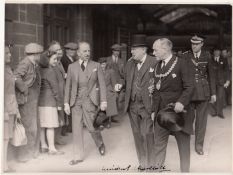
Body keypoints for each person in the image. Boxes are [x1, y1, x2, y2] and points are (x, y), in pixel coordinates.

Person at [151, 38, 194, 172]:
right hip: (161, 114)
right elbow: (157, 90)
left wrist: (181, 102)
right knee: (158, 146)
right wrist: (154, 110)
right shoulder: (158, 66)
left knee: (183, 148)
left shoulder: (182, 64)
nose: (153, 53)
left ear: (165, 49)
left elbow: (190, 86)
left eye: (155, 49)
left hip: (178, 114)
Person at [64, 41, 107, 165]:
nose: (87, 53)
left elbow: (102, 84)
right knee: (76, 129)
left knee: (92, 127)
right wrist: (66, 103)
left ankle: (100, 143)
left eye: (89, 51)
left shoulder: (96, 65)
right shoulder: (72, 67)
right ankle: (78, 156)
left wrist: (103, 101)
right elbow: (68, 86)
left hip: (90, 101)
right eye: (84, 51)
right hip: (76, 102)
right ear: (78, 53)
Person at [124, 34, 157, 168]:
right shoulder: (130, 63)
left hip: (147, 105)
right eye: (131, 49)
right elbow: (124, 78)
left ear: (143, 49)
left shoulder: (154, 62)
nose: (131, 51)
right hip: (132, 105)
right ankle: (142, 162)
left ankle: (152, 164)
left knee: (148, 134)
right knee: (137, 135)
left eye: (134, 49)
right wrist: (119, 84)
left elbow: (161, 81)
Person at [182, 34, 216, 155]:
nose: (194, 46)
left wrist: (213, 93)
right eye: (192, 44)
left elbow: (211, 75)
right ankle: (185, 142)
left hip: (203, 92)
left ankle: (199, 145)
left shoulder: (207, 56)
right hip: (189, 93)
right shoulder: (185, 56)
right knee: (188, 119)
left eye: (196, 44)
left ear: (202, 44)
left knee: (201, 121)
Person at [14, 42, 43, 162]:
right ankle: (23, 155)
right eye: (39, 54)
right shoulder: (25, 63)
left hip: (33, 99)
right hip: (27, 100)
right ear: (35, 54)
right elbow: (16, 77)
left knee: (33, 126)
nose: (40, 56)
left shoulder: (33, 64)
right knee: (28, 126)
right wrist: (25, 90)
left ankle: (31, 152)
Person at [38, 51, 64, 155]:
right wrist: (59, 104)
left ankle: (44, 146)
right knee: (50, 126)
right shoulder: (50, 71)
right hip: (50, 102)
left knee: (42, 125)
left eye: (57, 59)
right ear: (47, 59)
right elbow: (55, 90)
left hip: (40, 102)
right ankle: (52, 148)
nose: (56, 61)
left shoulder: (39, 70)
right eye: (54, 59)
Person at [4, 45, 21, 172]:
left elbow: (12, 91)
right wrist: (3, 110)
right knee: (3, 138)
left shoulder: (8, 68)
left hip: (11, 107)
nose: (10, 55)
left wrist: (16, 110)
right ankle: (2, 166)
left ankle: (3, 164)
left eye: (9, 53)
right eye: (6, 53)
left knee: (6, 138)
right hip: (4, 108)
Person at [48, 41, 67, 143]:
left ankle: (57, 138)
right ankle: (55, 139)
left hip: (62, 92)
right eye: (57, 50)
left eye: (60, 49)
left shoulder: (59, 62)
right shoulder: (52, 63)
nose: (60, 51)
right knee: (56, 115)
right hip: (56, 93)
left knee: (61, 115)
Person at [61, 42, 79, 133]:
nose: (73, 51)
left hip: (73, 85)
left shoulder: (74, 59)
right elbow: (62, 73)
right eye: (71, 50)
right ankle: (66, 128)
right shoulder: (63, 60)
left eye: (74, 50)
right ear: (66, 50)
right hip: (66, 85)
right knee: (67, 105)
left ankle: (71, 126)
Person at [209, 47, 230, 118]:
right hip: (212, 82)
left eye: (218, 51)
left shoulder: (224, 60)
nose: (217, 52)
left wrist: (227, 80)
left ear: (220, 52)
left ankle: (220, 112)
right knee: (212, 96)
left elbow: (227, 71)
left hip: (221, 82)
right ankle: (213, 112)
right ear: (213, 52)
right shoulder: (210, 60)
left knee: (220, 97)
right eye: (215, 51)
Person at [99, 57, 118, 128]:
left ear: (106, 64)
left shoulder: (110, 71)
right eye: (101, 64)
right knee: (100, 108)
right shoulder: (96, 71)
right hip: (100, 91)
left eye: (104, 64)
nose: (102, 66)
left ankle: (108, 122)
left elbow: (114, 83)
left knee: (109, 108)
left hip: (109, 91)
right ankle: (100, 122)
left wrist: (115, 93)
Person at [106, 44, 125, 115]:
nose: (117, 52)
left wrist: (122, 82)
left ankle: (115, 115)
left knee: (117, 98)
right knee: (111, 98)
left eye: (118, 51)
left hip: (118, 82)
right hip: (110, 82)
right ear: (112, 51)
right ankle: (110, 115)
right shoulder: (108, 59)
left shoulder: (122, 61)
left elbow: (123, 73)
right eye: (115, 51)